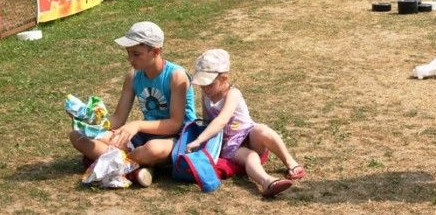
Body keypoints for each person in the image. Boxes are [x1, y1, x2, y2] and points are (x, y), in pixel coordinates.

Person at [69, 21, 196, 187]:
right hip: (145, 135)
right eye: (128, 53)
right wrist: (90, 122)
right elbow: (118, 118)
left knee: (153, 149)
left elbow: (175, 124)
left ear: (156, 51)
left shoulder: (176, 76)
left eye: (136, 54)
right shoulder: (133, 76)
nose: (130, 59)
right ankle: (137, 167)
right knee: (77, 136)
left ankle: (122, 164)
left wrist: (137, 125)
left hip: (178, 137)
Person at [187, 49, 305, 197]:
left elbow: (222, 120)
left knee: (263, 130)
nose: (204, 88)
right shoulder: (206, 96)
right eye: (202, 84)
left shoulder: (233, 94)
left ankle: (290, 162)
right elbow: (208, 121)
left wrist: (199, 140)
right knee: (250, 156)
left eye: (208, 84)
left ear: (223, 78)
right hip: (230, 145)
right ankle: (267, 181)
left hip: (248, 133)